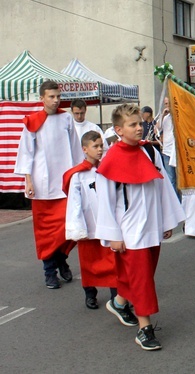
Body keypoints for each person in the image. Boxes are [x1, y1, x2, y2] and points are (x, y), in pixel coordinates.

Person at [95, 104, 185, 350]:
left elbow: (162, 187)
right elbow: (105, 202)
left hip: (151, 226)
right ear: (118, 130)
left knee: (142, 275)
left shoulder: (150, 153)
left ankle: (119, 302)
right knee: (143, 279)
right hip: (129, 231)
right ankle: (145, 329)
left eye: (139, 123)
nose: (138, 128)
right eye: (132, 125)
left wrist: (166, 220)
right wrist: (113, 235)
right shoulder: (110, 161)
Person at [14, 81, 83, 289]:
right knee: (45, 233)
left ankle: (61, 258)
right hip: (42, 187)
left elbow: (75, 149)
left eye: (58, 96)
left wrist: (79, 175)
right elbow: (26, 153)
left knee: (68, 228)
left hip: (64, 185)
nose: (56, 100)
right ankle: (49, 271)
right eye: (51, 97)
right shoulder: (33, 122)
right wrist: (28, 181)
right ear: (42, 98)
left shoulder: (66, 119)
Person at [62, 131, 136, 324]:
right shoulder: (78, 174)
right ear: (85, 149)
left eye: (101, 145)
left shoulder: (108, 169)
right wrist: (77, 227)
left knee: (114, 263)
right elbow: (74, 203)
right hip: (90, 225)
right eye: (95, 146)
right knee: (89, 263)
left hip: (107, 224)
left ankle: (117, 297)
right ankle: (90, 293)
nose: (100, 149)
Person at [156, 96, 178, 198]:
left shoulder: (177, 116)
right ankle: (173, 200)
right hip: (166, 150)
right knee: (170, 178)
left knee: (178, 178)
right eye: (165, 104)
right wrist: (162, 115)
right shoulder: (165, 117)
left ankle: (178, 200)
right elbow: (158, 127)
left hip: (176, 151)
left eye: (169, 103)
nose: (167, 106)